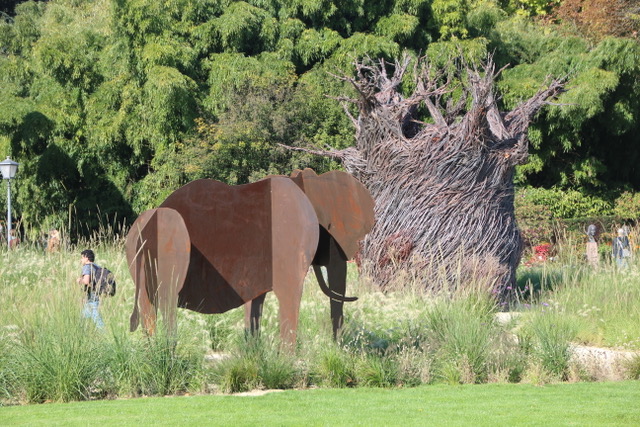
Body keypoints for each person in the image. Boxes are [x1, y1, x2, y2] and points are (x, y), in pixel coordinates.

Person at [77, 249, 105, 328]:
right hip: (95, 297)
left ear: (86, 258)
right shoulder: (97, 267)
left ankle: (105, 337)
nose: (81, 260)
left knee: (99, 323)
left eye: (82, 257)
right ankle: (83, 334)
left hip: (91, 299)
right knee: (82, 320)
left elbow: (86, 281)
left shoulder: (87, 267)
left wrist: (79, 280)